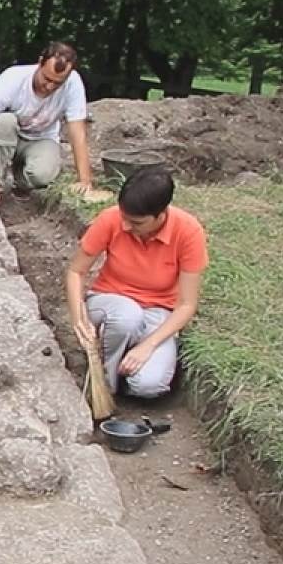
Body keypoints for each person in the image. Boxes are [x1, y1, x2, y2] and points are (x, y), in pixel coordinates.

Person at [64, 166, 208, 399]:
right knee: (126, 316)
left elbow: (186, 305)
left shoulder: (188, 232)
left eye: (137, 223)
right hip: (109, 304)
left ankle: (126, 365)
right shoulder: (111, 219)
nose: (127, 227)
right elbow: (75, 272)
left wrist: (148, 345)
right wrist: (78, 318)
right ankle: (104, 384)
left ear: (160, 215)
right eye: (125, 219)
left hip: (158, 312)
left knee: (150, 386)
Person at [0, 42, 110, 206]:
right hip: (9, 135)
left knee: (43, 175)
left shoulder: (73, 84)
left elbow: (78, 133)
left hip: (42, 139)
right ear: (40, 62)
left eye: (57, 83)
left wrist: (85, 181)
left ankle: (20, 180)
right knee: (5, 121)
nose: (50, 86)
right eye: (47, 79)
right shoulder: (12, 79)